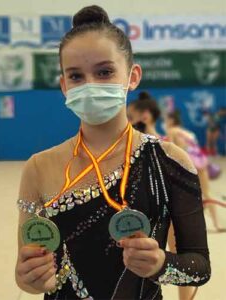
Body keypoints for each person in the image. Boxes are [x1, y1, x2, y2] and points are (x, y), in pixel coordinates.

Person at [15, 6, 211, 300]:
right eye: (76, 76)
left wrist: (161, 265)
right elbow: (32, 274)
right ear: (64, 86)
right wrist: (30, 279)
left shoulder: (169, 161)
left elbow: (200, 267)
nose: (90, 84)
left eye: (105, 72)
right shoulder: (38, 167)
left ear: (132, 76)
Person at [128, 93, 199, 300]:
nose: (127, 123)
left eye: (130, 118)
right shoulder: (131, 147)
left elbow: (186, 175)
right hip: (145, 210)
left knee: (179, 257)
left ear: (146, 117)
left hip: (171, 207)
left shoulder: (166, 146)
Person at [165, 111, 226, 232]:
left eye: (166, 120)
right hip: (201, 161)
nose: (165, 122)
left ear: (171, 120)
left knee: (183, 195)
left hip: (188, 163)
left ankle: (187, 224)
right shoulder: (186, 132)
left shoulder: (172, 131)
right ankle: (216, 224)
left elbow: (175, 150)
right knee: (206, 193)